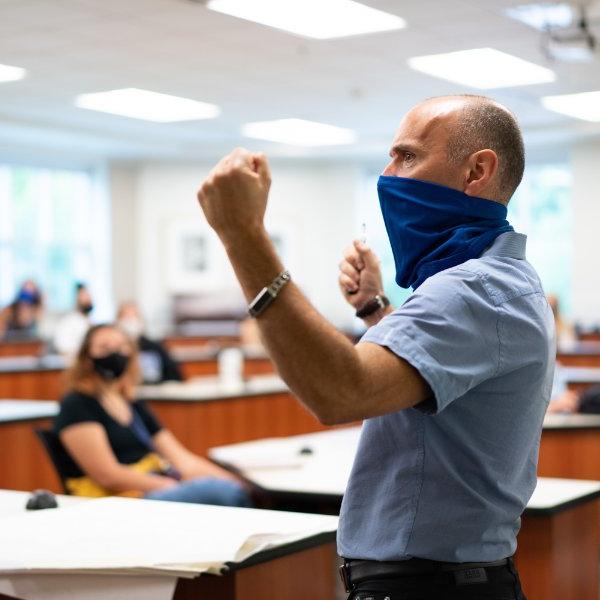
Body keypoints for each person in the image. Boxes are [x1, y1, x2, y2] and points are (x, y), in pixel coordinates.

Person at [196, 95, 555, 599]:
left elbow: (341, 391)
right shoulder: (502, 279)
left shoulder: (475, 290)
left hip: (430, 587)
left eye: (407, 156)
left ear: (477, 170)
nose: (389, 174)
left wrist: (243, 237)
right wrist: (375, 312)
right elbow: (431, 388)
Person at [53, 323, 251, 506]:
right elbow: (107, 475)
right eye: (104, 348)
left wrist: (233, 480)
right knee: (220, 494)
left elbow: (181, 459)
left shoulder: (132, 403)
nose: (115, 353)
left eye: (122, 347)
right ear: (86, 358)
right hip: (119, 500)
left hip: (151, 488)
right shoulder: (77, 404)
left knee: (230, 488)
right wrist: (167, 485)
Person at [116, 301, 183, 383]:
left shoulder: (154, 346)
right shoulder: (115, 350)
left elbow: (173, 373)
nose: (130, 321)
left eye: (134, 316)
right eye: (125, 317)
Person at [53, 282, 94, 358]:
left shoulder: (89, 321)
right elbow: (63, 347)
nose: (88, 299)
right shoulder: (68, 322)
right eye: (83, 296)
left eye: (88, 295)